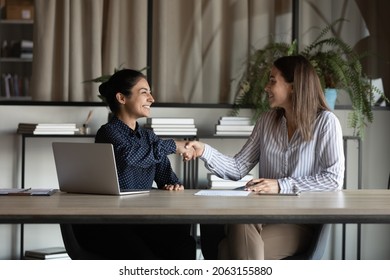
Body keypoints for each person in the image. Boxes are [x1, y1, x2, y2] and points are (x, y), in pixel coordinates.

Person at [185, 55, 345, 260]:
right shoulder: (267, 121)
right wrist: (204, 150)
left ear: (294, 87)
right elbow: (238, 167)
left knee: (226, 253)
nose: (266, 87)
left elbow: (332, 180)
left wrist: (280, 185)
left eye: (272, 80)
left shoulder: (326, 123)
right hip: (260, 214)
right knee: (239, 223)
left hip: (299, 221)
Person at [72, 69, 196, 259]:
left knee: (183, 241)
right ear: (121, 98)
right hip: (114, 223)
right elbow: (129, 156)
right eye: (144, 92)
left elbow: (166, 177)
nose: (152, 98)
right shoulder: (108, 132)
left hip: (143, 219)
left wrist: (172, 185)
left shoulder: (149, 136)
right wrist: (173, 145)